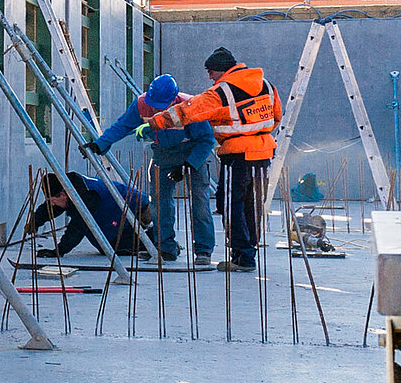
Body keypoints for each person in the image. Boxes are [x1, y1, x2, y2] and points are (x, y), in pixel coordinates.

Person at [151, 46, 282, 273]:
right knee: (252, 206)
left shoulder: (222, 91)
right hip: (263, 153)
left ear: (220, 71)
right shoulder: (266, 86)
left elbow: (190, 110)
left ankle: (242, 257)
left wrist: (158, 121)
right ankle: (248, 254)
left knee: (229, 205)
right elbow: (276, 116)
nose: (209, 77)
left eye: (210, 72)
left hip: (237, 154)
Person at [86, 74, 215, 265]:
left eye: (160, 105)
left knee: (199, 201)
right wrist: (99, 144)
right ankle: (165, 247)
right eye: (153, 104)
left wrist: (188, 165)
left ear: (173, 99)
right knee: (159, 202)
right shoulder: (141, 104)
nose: (155, 109)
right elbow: (122, 126)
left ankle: (203, 250)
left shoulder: (190, 106)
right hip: (163, 153)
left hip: (192, 151)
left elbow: (206, 140)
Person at [26, 171, 154, 258]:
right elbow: (51, 208)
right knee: (103, 244)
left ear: (63, 194)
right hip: (113, 207)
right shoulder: (68, 187)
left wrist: (58, 251)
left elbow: (78, 227)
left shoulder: (85, 196)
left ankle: (156, 241)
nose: (52, 205)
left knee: (113, 245)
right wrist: (35, 221)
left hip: (134, 207)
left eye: (53, 201)